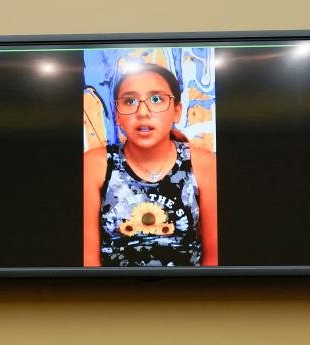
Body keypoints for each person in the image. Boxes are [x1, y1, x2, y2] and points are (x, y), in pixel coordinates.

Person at [83, 62, 217, 268]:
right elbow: (88, 263)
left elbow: (214, 261)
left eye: (156, 99)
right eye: (130, 101)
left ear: (177, 111)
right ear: (117, 115)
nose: (143, 112)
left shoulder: (203, 165)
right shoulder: (95, 166)